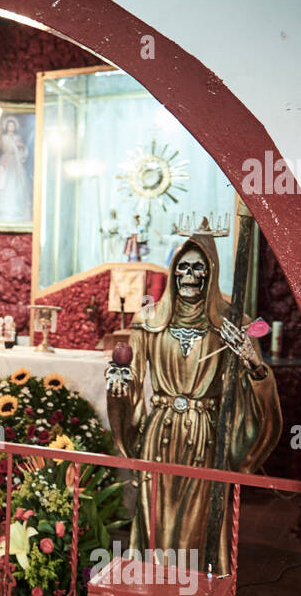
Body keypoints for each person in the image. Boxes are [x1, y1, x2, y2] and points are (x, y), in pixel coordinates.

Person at [105, 229, 282, 574]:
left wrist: (254, 364)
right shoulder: (150, 322)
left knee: (197, 528)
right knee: (154, 521)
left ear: (212, 272)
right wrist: (120, 387)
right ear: (173, 272)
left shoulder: (232, 325)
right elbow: (133, 381)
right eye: (182, 267)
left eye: (199, 268)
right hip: (159, 437)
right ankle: (152, 595)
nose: (189, 275)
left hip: (206, 441)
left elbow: (253, 388)